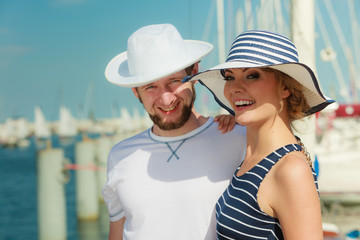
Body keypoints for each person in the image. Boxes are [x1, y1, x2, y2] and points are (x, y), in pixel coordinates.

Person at [101, 23, 247, 240]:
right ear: (135, 91)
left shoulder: (239, 138)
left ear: (194, 72)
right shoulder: (120, 156)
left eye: (174, 81)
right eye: (150, 86)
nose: (166, 98)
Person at [184, 30, 335, 239]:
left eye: (252, 75)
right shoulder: (252, 160)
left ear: (285, 87)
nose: (235, 88)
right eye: (229, 77)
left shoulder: (290, 171)